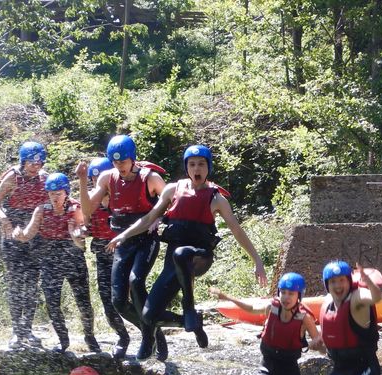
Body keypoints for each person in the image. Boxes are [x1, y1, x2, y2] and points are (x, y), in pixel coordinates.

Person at [107, 144, 268, 361]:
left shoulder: (217, 199)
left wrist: (257, 260)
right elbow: (149, 218)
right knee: (148, 315)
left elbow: (237, 230)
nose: (196, 168)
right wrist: (123, 235)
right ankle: (191, 322)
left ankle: (189, 306)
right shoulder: (172, 190)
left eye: (201, 164)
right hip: (174, 262)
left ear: (208, 167)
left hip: (200, 257)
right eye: (192, 164)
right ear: (186, 167)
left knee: (182, 253)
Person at [76, 136, 177, 359]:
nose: (119, 166)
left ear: (132, 159)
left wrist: (162, 218)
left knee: (136, 281)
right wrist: (83, 181)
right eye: (115, 162)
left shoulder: (150, 178)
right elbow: (87, 210)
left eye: (123, 161)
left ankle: (148, 336)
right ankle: (153, 331)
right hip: (122, 243)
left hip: (146, 240)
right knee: (118, 302)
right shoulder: (107, 178)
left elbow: (173, 201)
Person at [13, 172, 98, 353]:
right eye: (51, 194)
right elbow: (28, 234)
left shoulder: (75, 208)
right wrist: (19, 234)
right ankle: (63, 339)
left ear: (66, 192)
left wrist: (76, 236)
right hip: (50, 259)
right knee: (52, 302)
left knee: (83, 301)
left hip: (72, 257)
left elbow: (82, 240)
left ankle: (90, 337)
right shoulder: (41, 210)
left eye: (58, 193)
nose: (54, 197)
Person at [0, 141, 48, 349]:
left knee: (32, 283)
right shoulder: (13, 177)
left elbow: (54, 202)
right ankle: (16, 330)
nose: (36, 166)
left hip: (35, 234)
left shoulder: (45, 178)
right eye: (32, 163)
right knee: (16, 282)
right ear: (24, 161)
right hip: (12, 232)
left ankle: (28, 329)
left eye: (39, 163)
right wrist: (5, 220)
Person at [77, 157, 133, 357]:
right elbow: (83, 225)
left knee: (130, 299)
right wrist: (81, 231)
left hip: (126, 253)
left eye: (98, 178)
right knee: (107, 302)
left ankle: (151, 333)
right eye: (93, 180)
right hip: (102, 255)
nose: (96, 183)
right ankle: (123, 336)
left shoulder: (124, 197)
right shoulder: (90, 204)